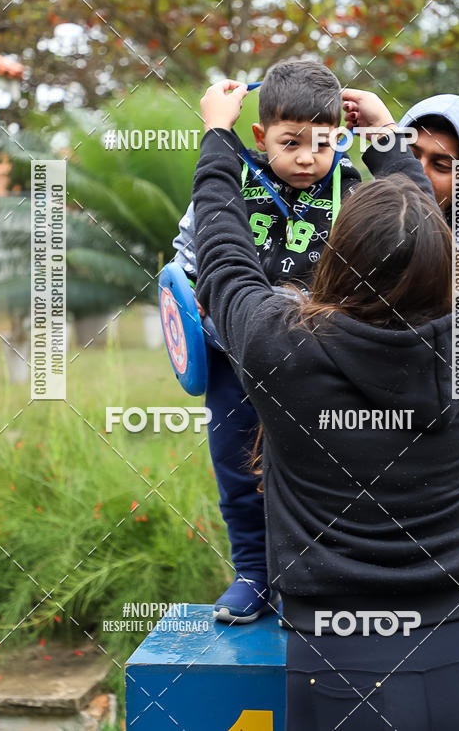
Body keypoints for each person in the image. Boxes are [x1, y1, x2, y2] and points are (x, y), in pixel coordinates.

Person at [191, 79, 459, 731]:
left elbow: (222, 258)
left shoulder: (280, 347)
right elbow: (437, 245)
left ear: (334, 255)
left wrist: (219, 138)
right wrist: (387, 141)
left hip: (341, 660)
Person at [172, 60, 364, 622]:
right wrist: (188, 302)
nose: (307, 157)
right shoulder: (233, 179)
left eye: (323, 143)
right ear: (260, 135)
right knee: (236, 466)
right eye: (291, 142)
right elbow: (193, 248)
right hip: (235, 359)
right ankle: (254, 573)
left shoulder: (348, 192)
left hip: (316, 365)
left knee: (314, 471)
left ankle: (304, 577)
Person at [342, 90, 459, 458]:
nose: (417, 175)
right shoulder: (346, 252)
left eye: (442, 165)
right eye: (408, 156)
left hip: (435, 504)